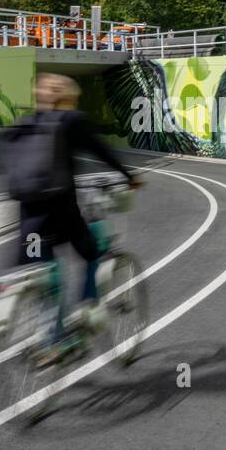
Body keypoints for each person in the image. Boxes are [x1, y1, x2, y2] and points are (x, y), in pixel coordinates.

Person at [14, 73, 137, 361]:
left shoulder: (26, 125)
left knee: (48, 275)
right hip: (61, 213)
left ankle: (52, 342)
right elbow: (102, 151)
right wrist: (130, 176)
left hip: (28, 219)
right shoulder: (70, 121)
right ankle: (87, 307)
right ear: (68, 98)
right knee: (93, 244)